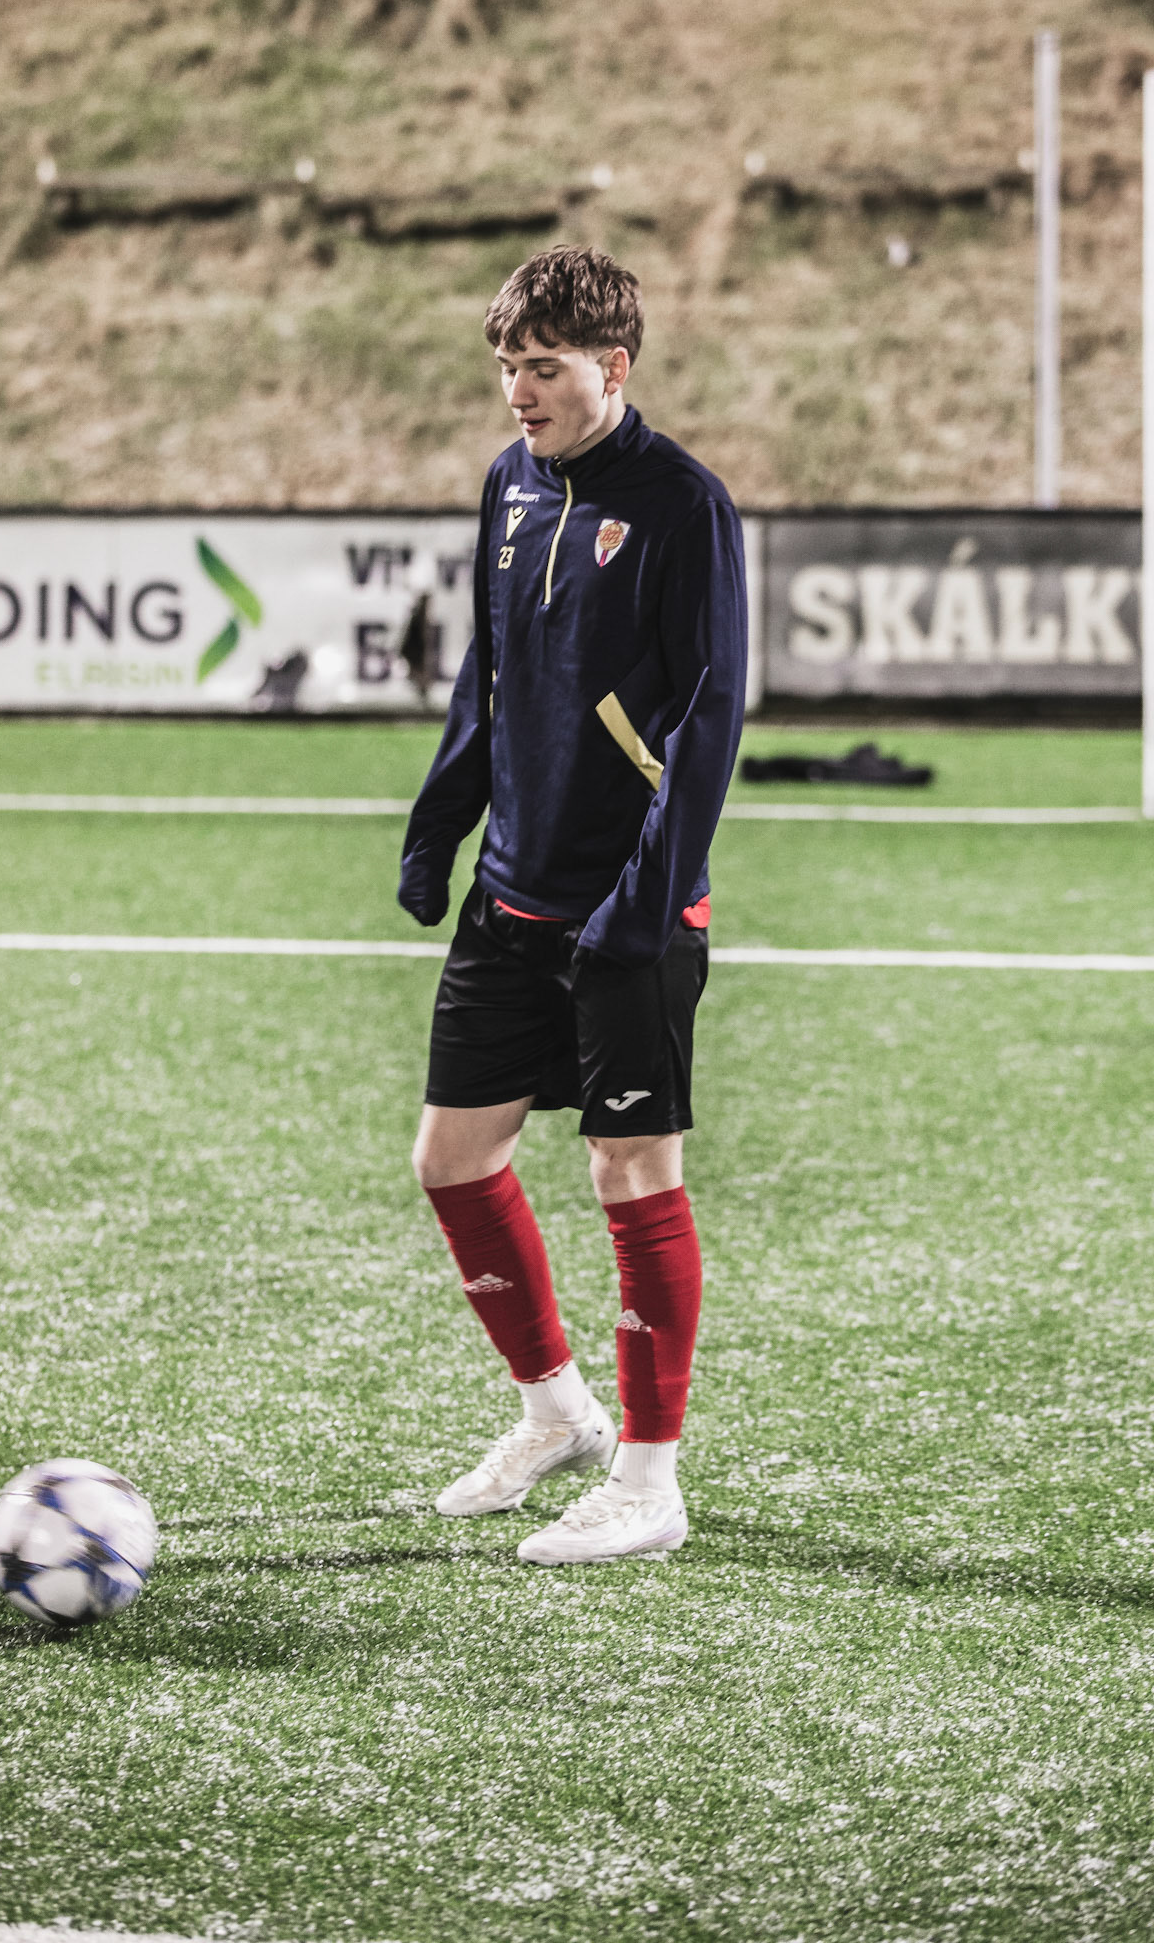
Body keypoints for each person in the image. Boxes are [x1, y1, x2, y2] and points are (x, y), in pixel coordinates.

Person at [398, 244, 747, 1566]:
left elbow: (709, 711)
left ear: (613, 365)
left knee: (630, 1170)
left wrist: (647, 900)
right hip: (513, 896)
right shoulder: (509, 483)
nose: (517, 392)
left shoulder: (682, 505)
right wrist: (442, 823)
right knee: (451, 1158)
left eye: (541, 368)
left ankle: (650, 1483)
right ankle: (556, 1413)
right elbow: (487, 675)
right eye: (506, 367)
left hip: (629, 910)